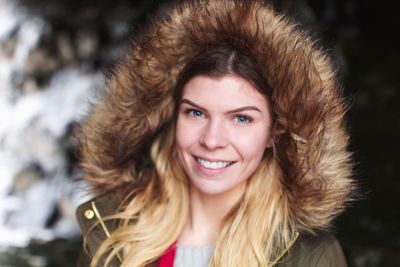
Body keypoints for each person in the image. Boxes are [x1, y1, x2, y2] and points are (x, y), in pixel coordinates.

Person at [75, 0, 354, 266]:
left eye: (241, 119)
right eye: (196, 113)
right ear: (173, 117)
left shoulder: (311, 256)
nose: (211, 140)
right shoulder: (111, 231)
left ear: (275, 132)